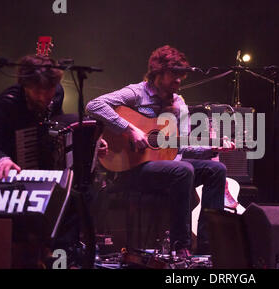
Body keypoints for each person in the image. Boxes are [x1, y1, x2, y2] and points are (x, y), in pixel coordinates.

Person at [86, 45, 230, 256]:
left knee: (216, 170)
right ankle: (181, 246)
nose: (179, 81)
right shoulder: (136, 93)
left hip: (169, 168)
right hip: (133, 169)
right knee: (184, 170)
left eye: (181, 76)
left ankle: (208, 247)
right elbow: (94, 106)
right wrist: (130, 129)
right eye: (174, 75)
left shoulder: (179, 103)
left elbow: (181, 144)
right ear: (158, 72)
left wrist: (210, 148)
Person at [0, 54, 64, 177]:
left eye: (49, 90)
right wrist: (2, 159)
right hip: (15, 172)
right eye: (37, 91)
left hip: (49, 171)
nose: (43, 97)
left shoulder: (58, 92)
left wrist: (85, 139)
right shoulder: (7, 103)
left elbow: (60, 121)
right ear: (25, 86)